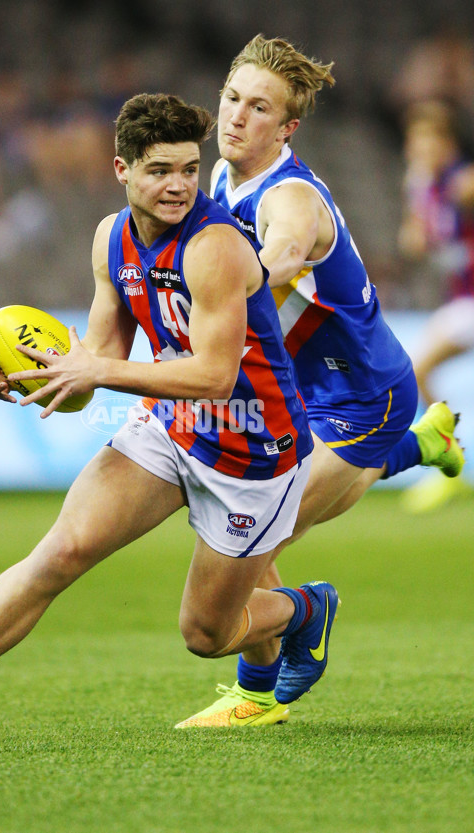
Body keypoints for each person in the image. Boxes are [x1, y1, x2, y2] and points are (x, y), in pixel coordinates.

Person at [0, 93, 337, 741]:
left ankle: (306, 608)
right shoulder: (110, 238)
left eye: (187, 168)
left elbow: (213, 376)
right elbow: (93, 374)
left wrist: (91, 369)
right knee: (60, 550)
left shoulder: (215, 247)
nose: (178, 184)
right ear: (120, 170)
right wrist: (33, 380)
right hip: (171, 427)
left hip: (254, 453)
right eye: (159, 170)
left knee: (207, 634)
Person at [175, 35, 465, 728]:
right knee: (241, 516)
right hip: (305, 393)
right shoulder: (222, 176)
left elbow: (280, 255)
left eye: (260, 107)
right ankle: (427, 444)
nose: (238, 116)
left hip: (365, 394)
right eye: (232, 98)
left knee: (253, 538)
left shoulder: (293, 198)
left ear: (288, 127)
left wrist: (226, 294)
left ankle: (257, 691)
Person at [397, 100, 474, 512]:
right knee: (416, 372)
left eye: (426, 139)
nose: (418, 147)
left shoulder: (464, 183)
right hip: (462, 302)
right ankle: (449, 457)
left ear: (446, 142)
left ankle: (447, 453)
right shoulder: (424, 185)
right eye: (414, 140)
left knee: (416, 370)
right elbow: (414, 244)